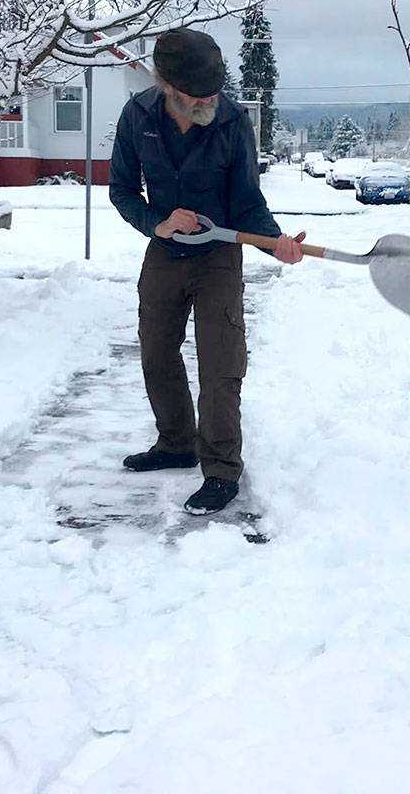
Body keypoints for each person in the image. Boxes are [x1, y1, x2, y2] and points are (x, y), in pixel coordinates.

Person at [108, 28, 305, 515]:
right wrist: (159, 222)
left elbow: (247, 202)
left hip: (218, 255)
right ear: (167, 84)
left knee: (220, 365)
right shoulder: (138, 117)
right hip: (165, 250)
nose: (207, 102)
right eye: (197, 94)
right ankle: (176, 442)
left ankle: (220, 469)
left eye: (213, 92)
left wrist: (274, 242)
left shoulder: (233, 122)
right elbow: (122, 192)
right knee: (156, 352)